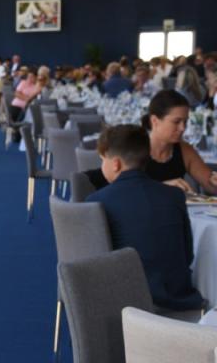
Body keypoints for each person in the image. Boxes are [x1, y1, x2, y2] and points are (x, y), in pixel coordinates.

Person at [86, 125, 204, 312]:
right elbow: (187, 255)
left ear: (115, 163)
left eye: (102, 160)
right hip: (179, 300)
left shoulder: (96, 201)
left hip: (127, 305)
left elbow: (96, 265)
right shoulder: (174, 195)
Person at [143, 89, 217, 193]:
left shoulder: (184, 150)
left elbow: (209, 183)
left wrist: (214, 182)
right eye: (176, 122)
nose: (183, 128)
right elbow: (121, 192)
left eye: (185, 122)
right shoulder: (136, 149)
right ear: (155, 121)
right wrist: (160, 188)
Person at [9, 68, 40, 142]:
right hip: (16, 105)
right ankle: (17, 132)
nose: (29, 78)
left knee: (25, 112)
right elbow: (17, 93)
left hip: (27, 107)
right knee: (18, 112)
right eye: (28, 77)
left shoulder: (37, 86)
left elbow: (34, 97)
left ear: (36, 77)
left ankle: (17, 132)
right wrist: (26, 99)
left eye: (32, 77)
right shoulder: (23, 82)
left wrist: (25, 97)